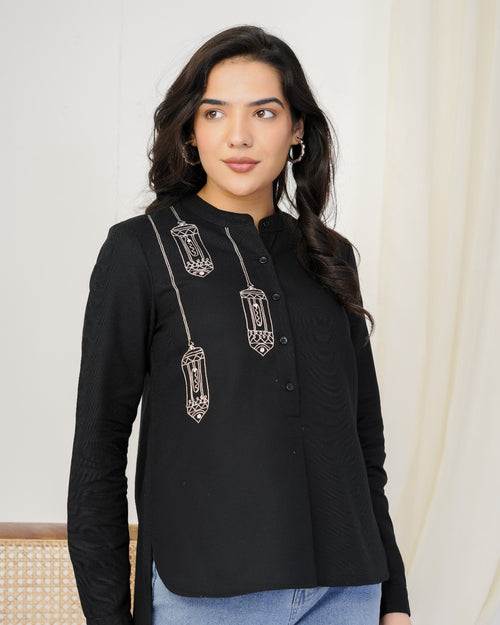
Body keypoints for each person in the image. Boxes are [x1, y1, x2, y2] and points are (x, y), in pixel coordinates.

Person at [67, 25, 412, 625]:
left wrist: (395, 598)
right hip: (204, 596)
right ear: (190, 130)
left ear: (297, 129)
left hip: (347, 592)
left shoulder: (330, 257)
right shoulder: (139, 252)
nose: (239, 136)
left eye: (264, 112)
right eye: (215, 112)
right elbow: (98, 450)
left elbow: (363, 444)